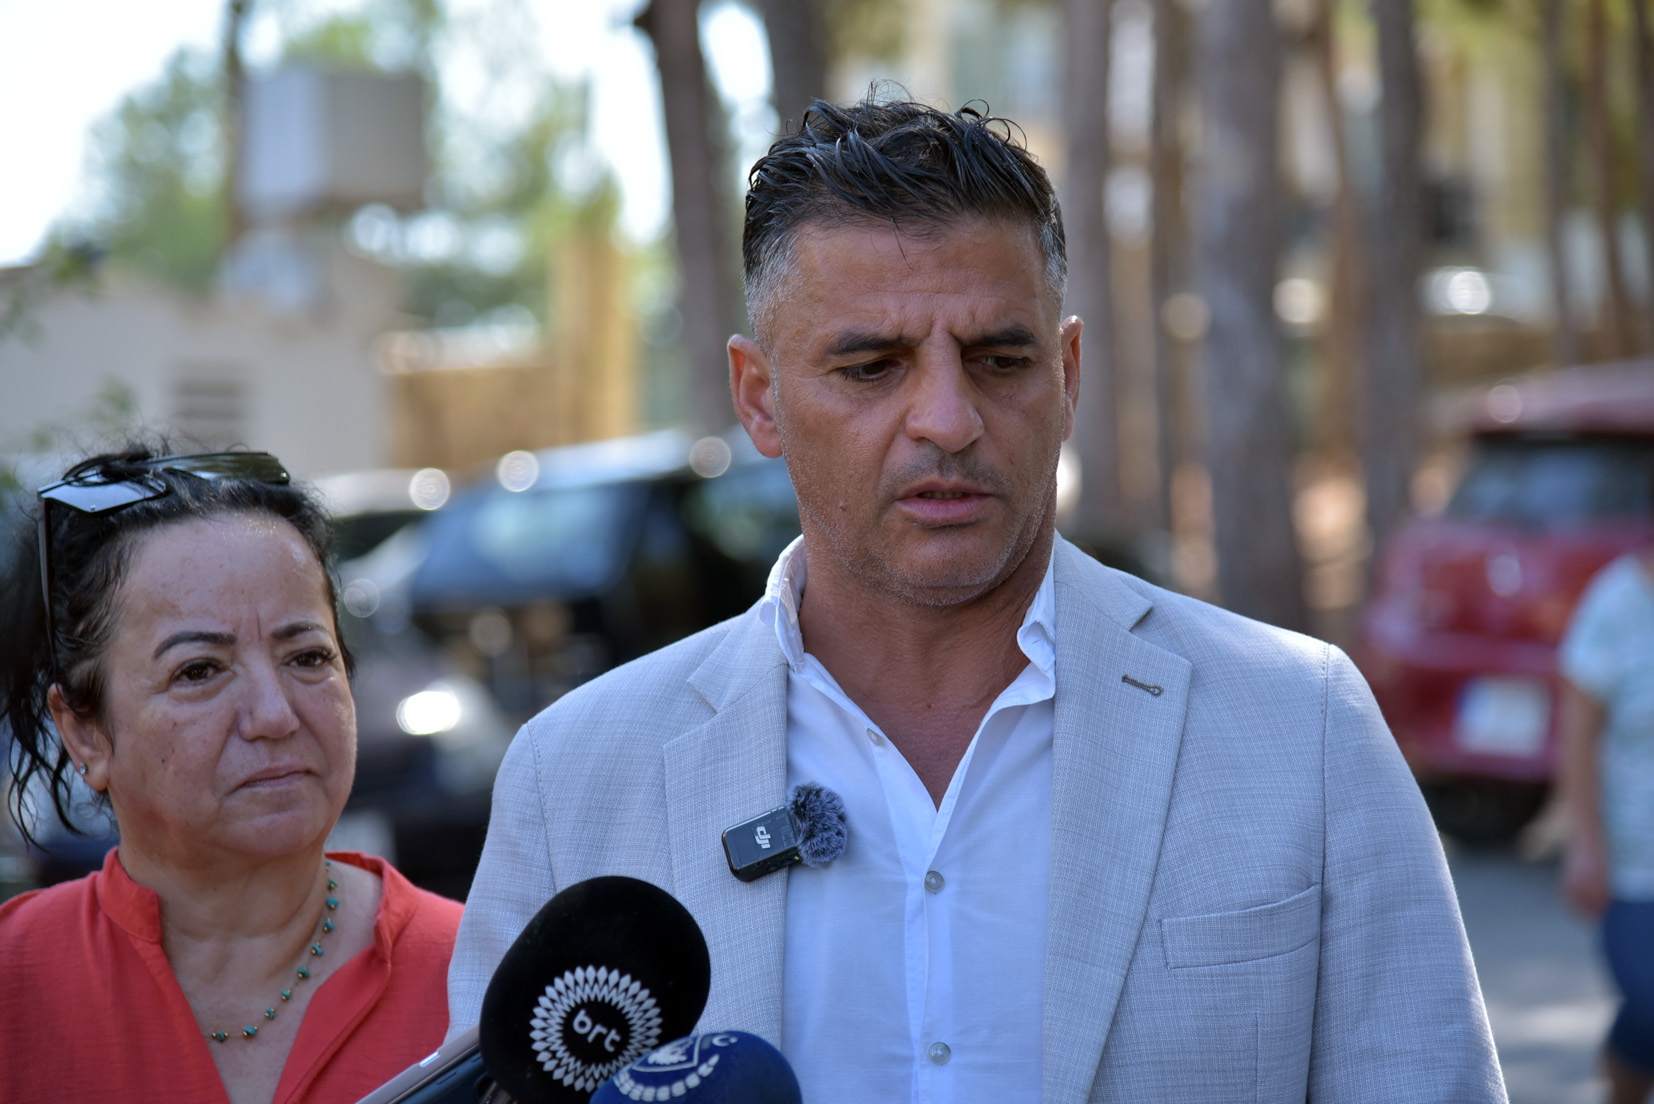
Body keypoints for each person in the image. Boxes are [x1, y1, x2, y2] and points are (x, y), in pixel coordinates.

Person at [447, 98, 1503, 1101]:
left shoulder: (1300, 727)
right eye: (873, 367)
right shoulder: (576, 778)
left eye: (999, 359)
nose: (948, 419)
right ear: (759, 399)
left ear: (1068, 374)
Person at [0, 448, 463, 1104]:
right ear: (85, 731)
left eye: (307, 657)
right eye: (199, 670)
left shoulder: (484, 984)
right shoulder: (16, 987)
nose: (274, 715)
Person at [1559, 543, 1654, 1104]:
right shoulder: (1616, 604)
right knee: (1650, 1005)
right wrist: (1584, 844)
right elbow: (1577, 735)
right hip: (1636, 866)